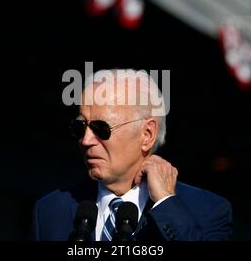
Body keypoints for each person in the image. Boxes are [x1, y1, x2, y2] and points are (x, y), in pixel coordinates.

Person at [31, 69, 232, 241]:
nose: (86, 140)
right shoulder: (49, 210)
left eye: (101, 128)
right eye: (80, 127)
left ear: (147, 134)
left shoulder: (208, 210)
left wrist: (166, 203)